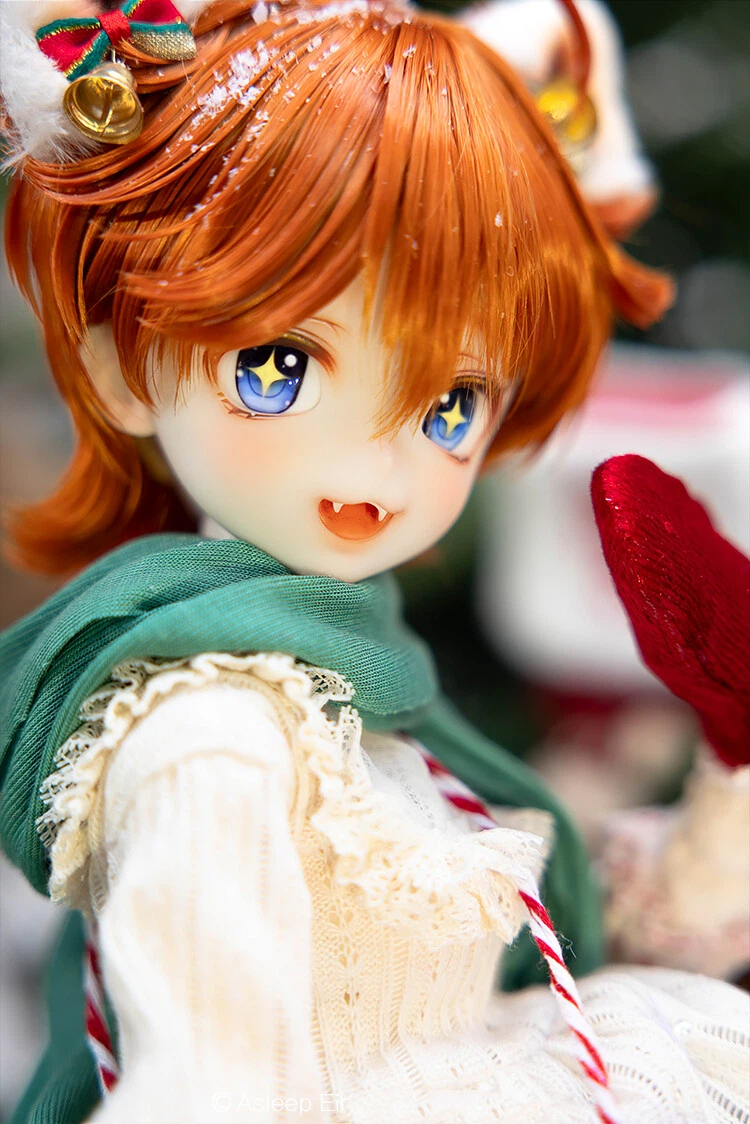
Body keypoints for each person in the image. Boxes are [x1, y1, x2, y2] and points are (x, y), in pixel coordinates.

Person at [0, 1, 747, 1122]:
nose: (376, 461)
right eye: (278, 368)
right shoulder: (212, 735)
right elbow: (204, 1084)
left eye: (451, 404)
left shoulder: (355, 687)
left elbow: (531, 947)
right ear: (122, 367)